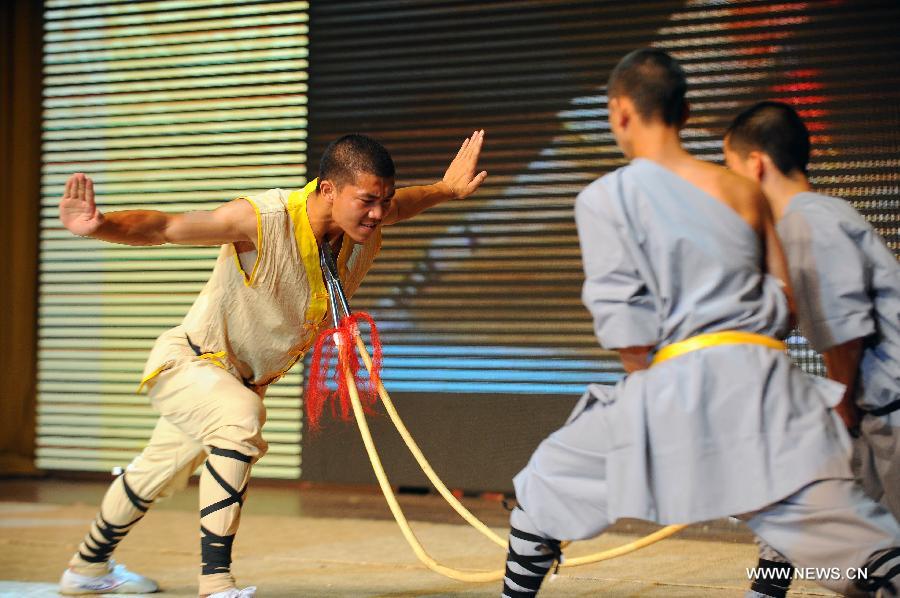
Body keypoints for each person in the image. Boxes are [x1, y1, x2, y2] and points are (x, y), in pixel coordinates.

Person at [499, 49, 900, 598]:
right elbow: (783, 308)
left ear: (619, 113)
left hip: (682, 381)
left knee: (548, 480)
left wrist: (654, 404)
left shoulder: (606, 196)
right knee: (844, 532)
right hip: (767, 383)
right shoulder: (746, 192)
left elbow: (626, 328)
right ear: (686, 114)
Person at [57, 131, 487, 597]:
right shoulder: (263, 218)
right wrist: (100, 227)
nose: (380, 212)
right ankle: (216, 585)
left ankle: (86, 569)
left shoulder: (362, 223)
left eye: (383, 200)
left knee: (153, 474)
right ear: (328, 189)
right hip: (190, 366)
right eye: (367, 200)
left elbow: (405, 203)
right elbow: (167, 226)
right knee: (241, 419)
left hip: (233, 384)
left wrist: (446, 190)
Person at [724, 101, 900, 598]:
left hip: (885, 410)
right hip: (872, 414)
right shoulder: (811, 219)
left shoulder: (808, 221)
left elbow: (846, 332)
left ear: (756, 164)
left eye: (733, 168)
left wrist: (840, 406)